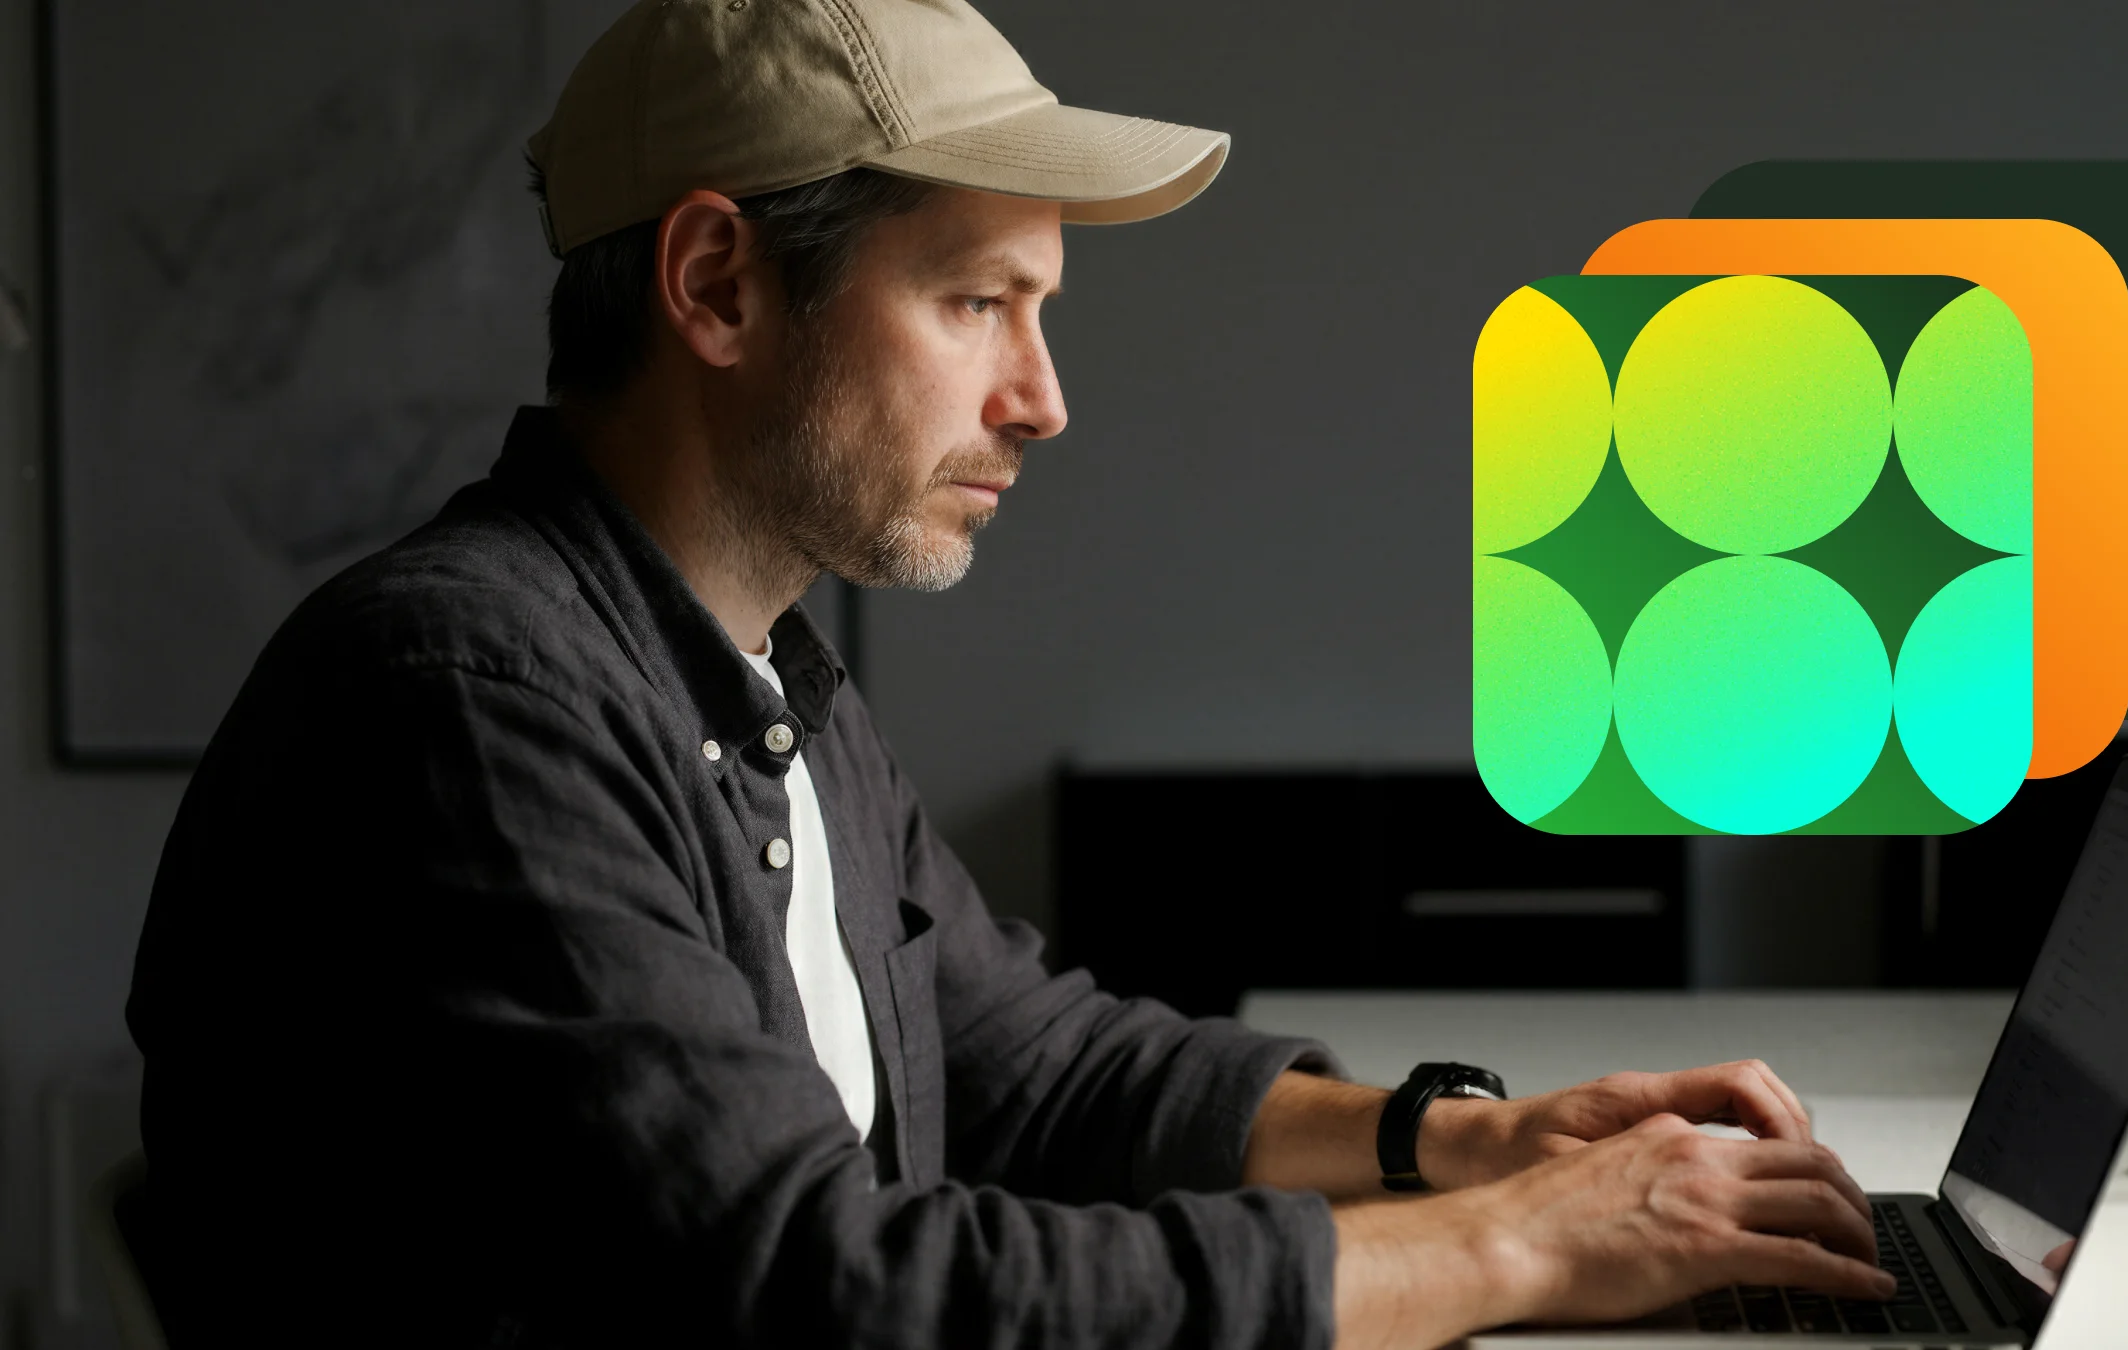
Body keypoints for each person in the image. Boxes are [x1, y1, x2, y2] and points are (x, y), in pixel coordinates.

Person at [125, 1, 1894, 1346]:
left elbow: (1039, 1067)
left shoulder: (761, 685)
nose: (1042, 398)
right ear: (720, 284)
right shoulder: (466, 699)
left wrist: (1472, 1141)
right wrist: (1524, 1248)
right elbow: (825, 1290)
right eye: (979, 301)